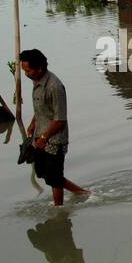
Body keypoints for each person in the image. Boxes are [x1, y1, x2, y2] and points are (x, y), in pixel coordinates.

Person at [20, 48, 89, 206]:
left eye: (28, 70)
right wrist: (33, 124)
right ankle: (82, 193)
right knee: (43, 173)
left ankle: (59, 210)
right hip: (40, 135)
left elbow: (60, 120)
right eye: (24, 70)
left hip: (54, 139)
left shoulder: (54, 87)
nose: (26, 74)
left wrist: (44, 138)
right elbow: (41, 108)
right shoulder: (36, 81)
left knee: (55, 179)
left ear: (40, 68)